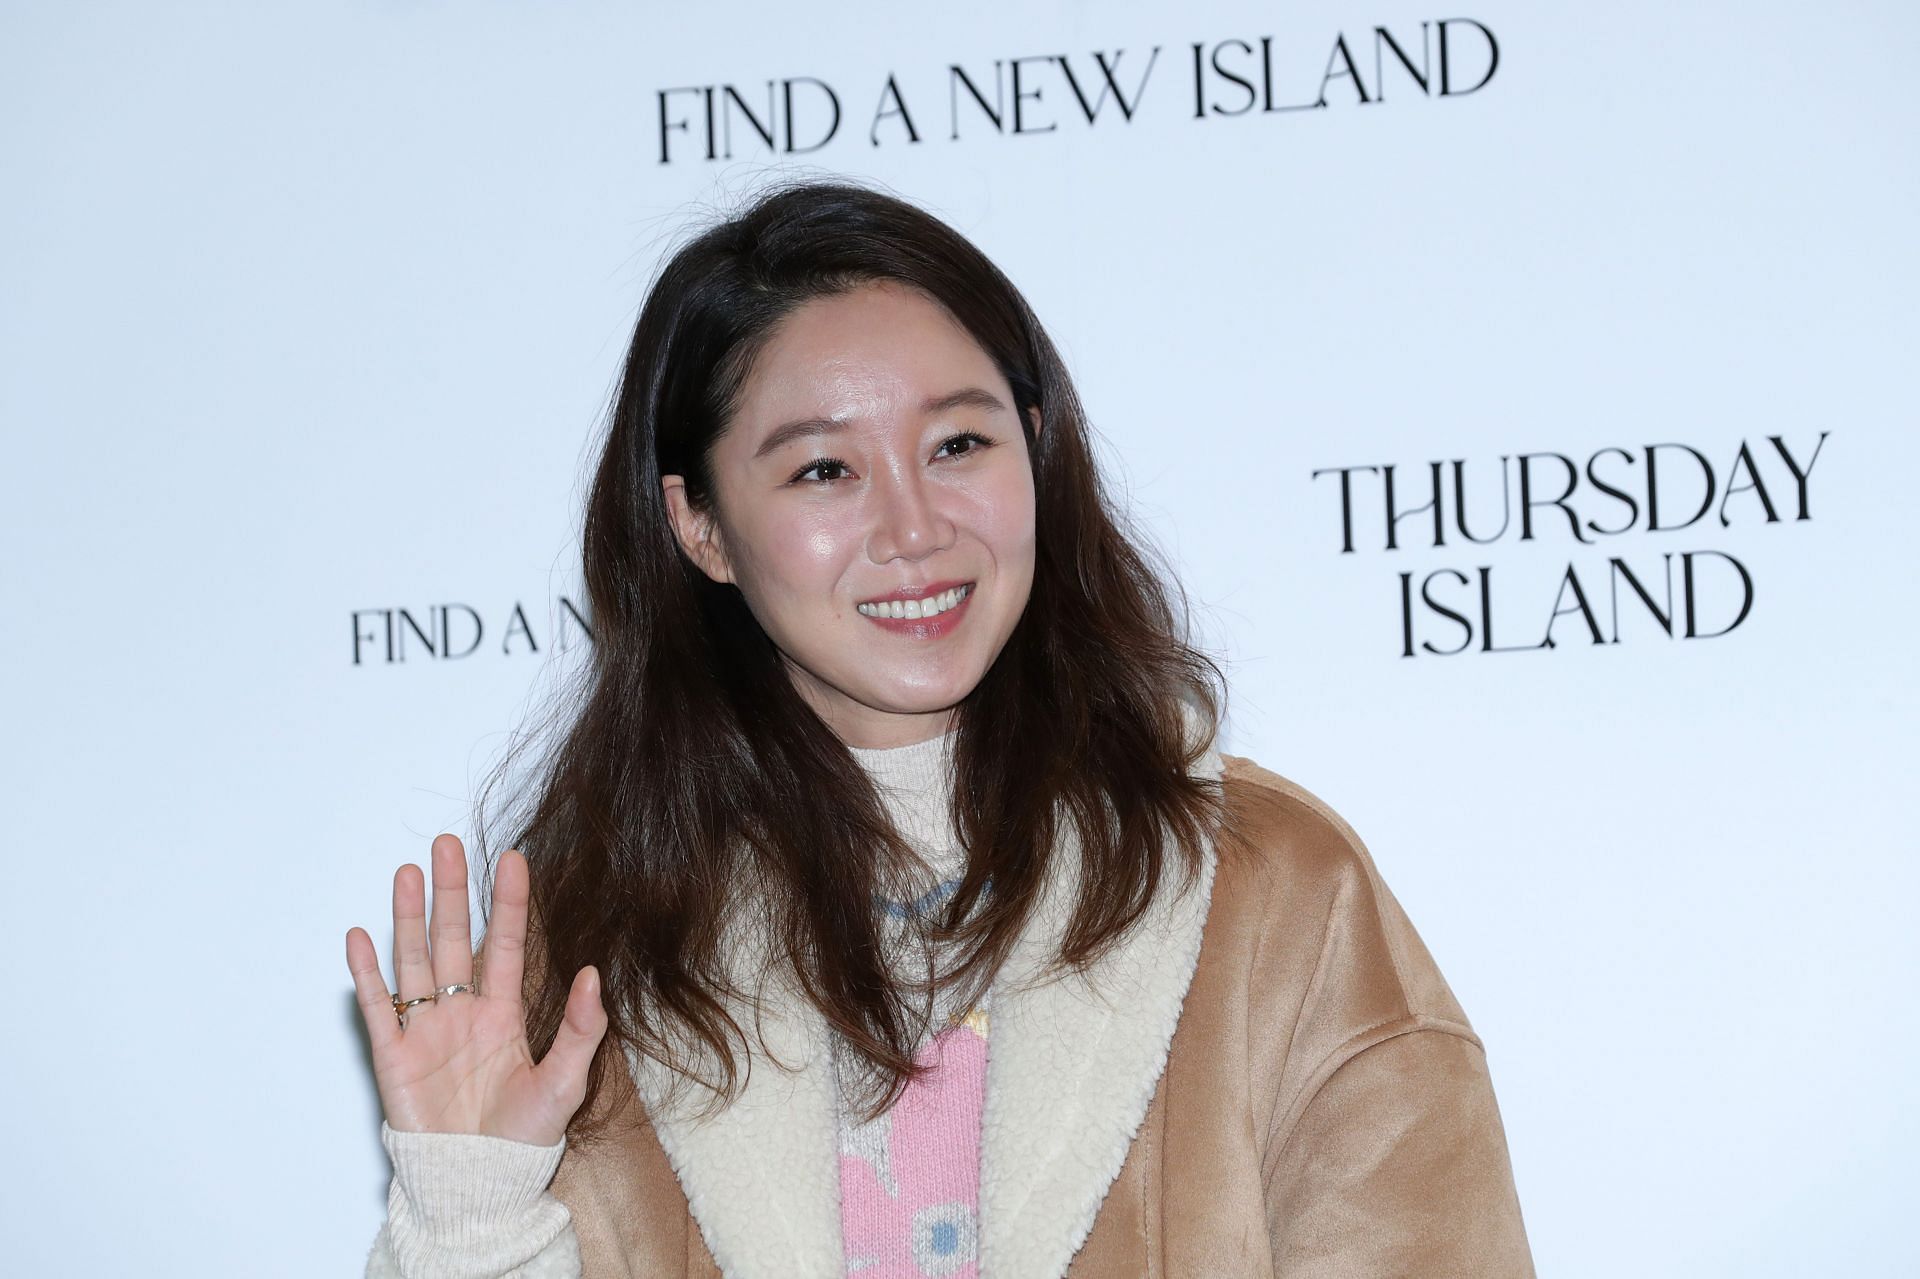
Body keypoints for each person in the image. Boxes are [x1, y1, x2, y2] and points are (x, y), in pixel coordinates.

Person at [344, 179, 1536, 1278]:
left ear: (1037, 448)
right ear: (699, 524)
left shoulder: (1272, 888)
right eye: (823, 471)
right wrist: (473, 1211)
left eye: (958, 444)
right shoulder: (593, 957)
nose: (913, 527)